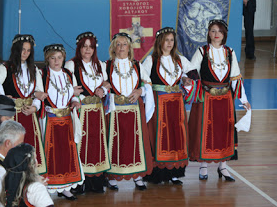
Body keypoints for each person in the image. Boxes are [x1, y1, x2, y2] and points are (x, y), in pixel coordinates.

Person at [184, 19, 251, 181]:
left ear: (224, 34)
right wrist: (187, 81)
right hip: (206, 99)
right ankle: (204, 166)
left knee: (224, 132)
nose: (216, 34)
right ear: (208, 33)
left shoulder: (230, 52)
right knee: (205, 132)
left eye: (219, 31)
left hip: (225, 100)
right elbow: (190, 72)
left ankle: (223, 167)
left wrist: (244, 99)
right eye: (213, 31)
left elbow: (235, 78)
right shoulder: (202, 51)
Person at [141, 27, 190, 185]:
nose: (169, 43)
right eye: (166, 40)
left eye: (171, 40)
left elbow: (190, 72)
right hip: (159, 104)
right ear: (159, 41)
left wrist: (185, 79)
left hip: (176, 104)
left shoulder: (179, 59)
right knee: (159, 135)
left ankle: (174, 171)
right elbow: (143, 80)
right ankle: (157, 173)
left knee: (176, 135)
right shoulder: (151, 60)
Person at [105, 33, 154, 190]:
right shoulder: (106, 66)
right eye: (118, 44)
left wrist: (140, 91)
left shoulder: (137, 65)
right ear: (113, 47)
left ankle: (137, 176)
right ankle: (113, 176)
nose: (121, 47)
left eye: (124, 44)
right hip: (115, 111)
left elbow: (148, 85)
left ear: (129, 47)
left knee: (135, 142)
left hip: (134, 111)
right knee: (116, 142)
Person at [35, 44, 85, 200]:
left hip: (66, 119)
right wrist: (73, 92)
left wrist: (76, 100)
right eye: (53, 58)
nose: (56, 61)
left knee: (66, 153)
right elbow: (38, 94)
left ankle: (65, 186)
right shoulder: (42, 74)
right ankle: (49, 186)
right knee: (50, 153)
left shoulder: (68, 74)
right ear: (47, 59)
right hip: (49, 120)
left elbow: (75, 95)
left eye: (59, 57)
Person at [65, 32, 111, 194]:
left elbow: (107, 82)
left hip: (97, 111)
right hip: (81, 110)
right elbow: (65, 86)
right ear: (79, 47)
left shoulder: (100, 65)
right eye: (84, 46)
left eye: (90, 47)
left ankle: (96, 180)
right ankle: (79, 182)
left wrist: (103, 89)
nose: (87, 50)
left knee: (96, 145)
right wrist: (73, 95)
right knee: (80, 143)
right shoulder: (71, 65)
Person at [0, 34, 47, 174]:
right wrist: (3, 97)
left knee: (30, 147)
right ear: (16, 50)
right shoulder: (4, 68)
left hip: (29, 116)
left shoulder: (34, 69)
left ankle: (29, 179)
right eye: (23, 49)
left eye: (28, 50)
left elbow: (39, 92)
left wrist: (35, 106)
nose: (25, 53)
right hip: (11, 117)